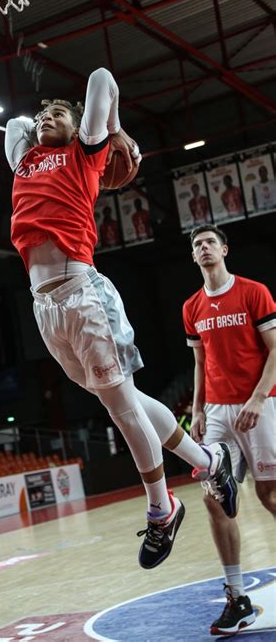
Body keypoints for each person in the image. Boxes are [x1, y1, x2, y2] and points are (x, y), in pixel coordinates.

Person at [5, 67, 237, 570]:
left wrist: (111, 129)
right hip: (43, 305)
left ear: (81, 126)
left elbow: (105, 77)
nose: (46, 118)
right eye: (44, 114)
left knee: (118, 405)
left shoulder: (84, 153)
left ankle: (162, 507)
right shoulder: (25, 159)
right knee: (124, 398)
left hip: (81, 292)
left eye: (58, 113)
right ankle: (210, 462)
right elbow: (14, 123)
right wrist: (45, 118)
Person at [183, 223, 275, 636]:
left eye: (209, 242)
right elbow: (200, 363)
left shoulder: (254, 291)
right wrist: (197, 410)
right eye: (197, 244)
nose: (203, 248)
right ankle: (237, 598)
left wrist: (257, 398)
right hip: (217, 411)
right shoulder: (191, 307)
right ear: (194, 256)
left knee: (269, 494)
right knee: (213, 498)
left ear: (224, 249)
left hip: (262, 404)